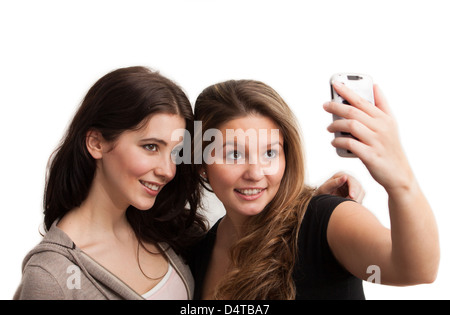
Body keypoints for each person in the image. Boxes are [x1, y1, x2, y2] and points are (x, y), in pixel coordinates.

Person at [189, 79, 440, 299]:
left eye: (269, 152)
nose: (255, 173)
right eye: (233, 154)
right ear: (201, 162)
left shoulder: (325, 218)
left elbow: (416, 269)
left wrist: (400, 181)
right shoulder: (198, 252)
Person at [14, 66, 208, 300]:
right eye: (150, 147)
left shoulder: (165, 231)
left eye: (175, 152)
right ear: (96, 143)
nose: (168, 170)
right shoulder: (51, 276)